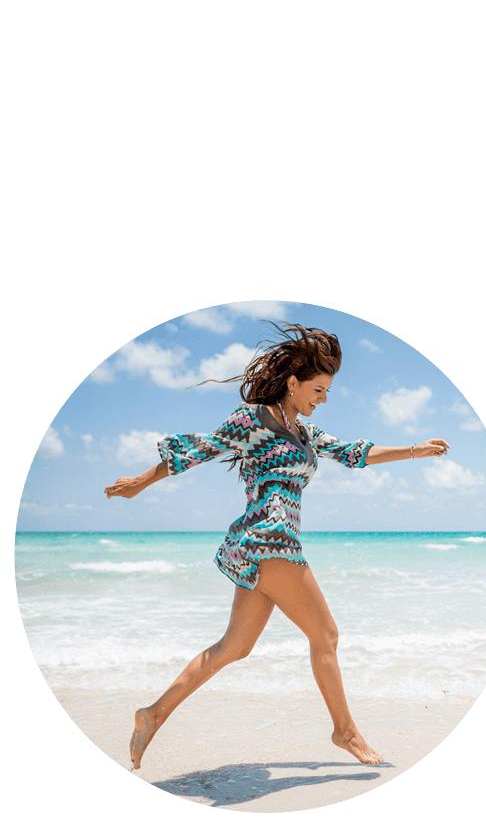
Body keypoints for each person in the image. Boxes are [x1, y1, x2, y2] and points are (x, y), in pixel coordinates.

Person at [104, 322, 450, 770]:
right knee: (325, 635)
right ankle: (345, 732)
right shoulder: (252, 420)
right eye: (319, 390)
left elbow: (352, 451)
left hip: (264, 546)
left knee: (234, 647)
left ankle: (153, 714)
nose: (322, 399)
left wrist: (413, 450)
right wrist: (140, 482)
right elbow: (198, 449)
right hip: (270, 542)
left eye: (326, 392)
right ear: (293, 382)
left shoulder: (305, 432)